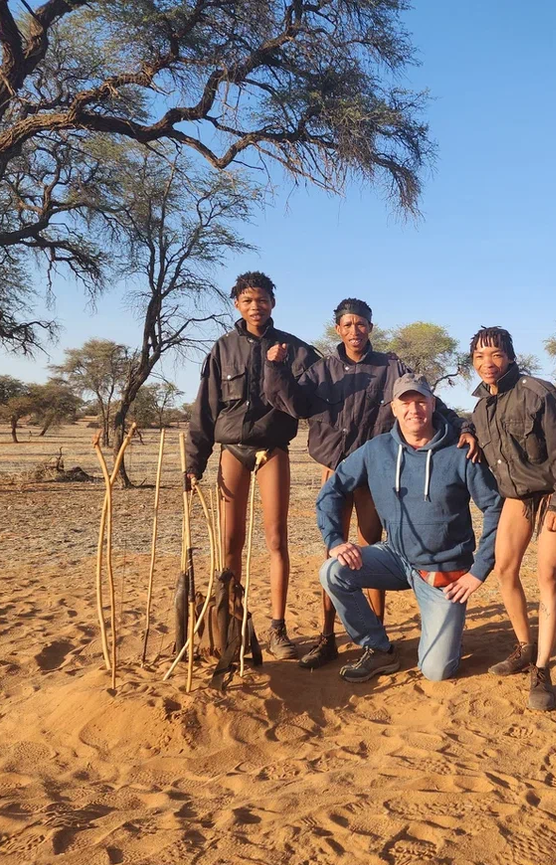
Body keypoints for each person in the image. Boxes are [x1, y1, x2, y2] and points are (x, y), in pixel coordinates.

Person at [263, 298, 480, 669]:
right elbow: (294, 404)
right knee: (335, 553)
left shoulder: (391, 367)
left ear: (370, 327)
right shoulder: (323, 369)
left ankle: (377, 641)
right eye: (347, 325)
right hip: (335, 468)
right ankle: (327, 637)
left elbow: (431, 404)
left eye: (361, 324)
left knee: (372, 549)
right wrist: (277, 368)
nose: (355, 331)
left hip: (376, 472)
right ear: (338, 330)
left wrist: (464, 427)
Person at [316, 373, 502, 683]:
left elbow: (496, 507)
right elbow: (332, 490)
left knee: (436, 671)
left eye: (420, 401)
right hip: (395, 557)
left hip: (443, 571)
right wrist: (335, 540)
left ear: (433, 404)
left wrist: (478, 571)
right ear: (393, 408)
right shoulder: (376, 450)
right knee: (333, 571)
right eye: (405, 403)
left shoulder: (461, 451)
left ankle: (446, 634)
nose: (413, 409)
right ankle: (378, 648)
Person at [185, 271, 320, 660]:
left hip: (273, 450)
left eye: (262, 300)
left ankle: (278, 629)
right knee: (230, 542)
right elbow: (205, 408)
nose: (255, 306)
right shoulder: (223, 348)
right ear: (237, 305)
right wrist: (194, 462)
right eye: (247, 301)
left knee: (276, 540)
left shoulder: (296, 350)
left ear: (273, 303)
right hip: (232, 450)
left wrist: (281, 369)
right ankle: (232, 625)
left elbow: (308, 404)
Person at [469, 326, 556, 711]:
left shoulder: (537, 392)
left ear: (510, 356)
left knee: (548, 575)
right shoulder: (481, 406)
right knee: (505, 569)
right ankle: (525, 647)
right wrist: (467, 432)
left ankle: (542, 669)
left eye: (495, 355)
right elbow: (473, 427)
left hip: (551, 495)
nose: (488, 363)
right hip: (516, 497)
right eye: (479, 357)